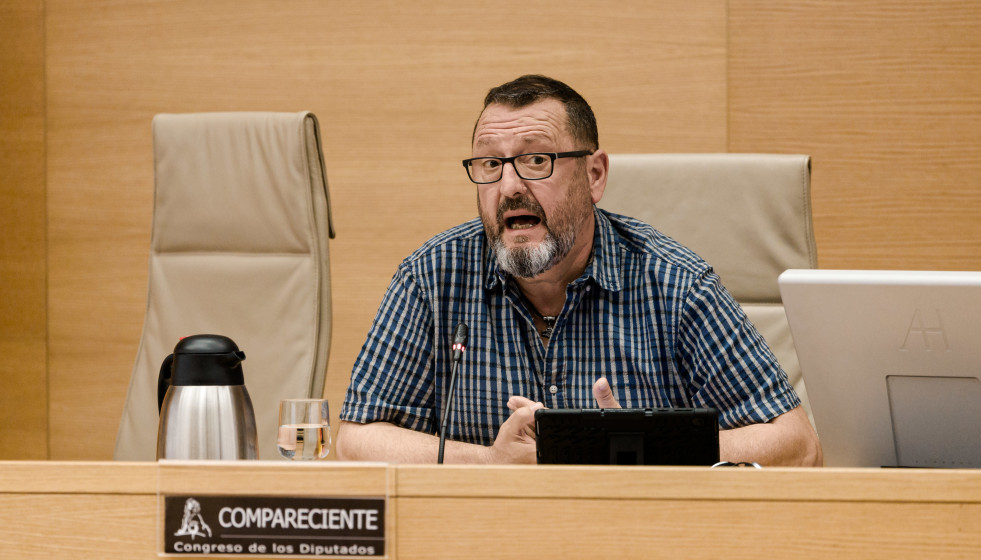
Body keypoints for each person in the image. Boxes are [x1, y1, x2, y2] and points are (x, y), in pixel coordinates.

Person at [336, 75, 822, 466]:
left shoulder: (676, 285)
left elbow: (797, 445)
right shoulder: (432, 279)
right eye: (490, 164)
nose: (508, 186)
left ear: (594, 175)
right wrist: (488, 461)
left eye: (536, 160)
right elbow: (356, 440)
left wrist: (641, 447)